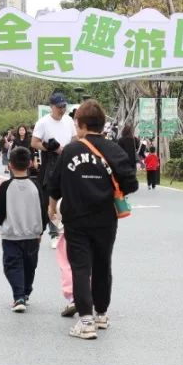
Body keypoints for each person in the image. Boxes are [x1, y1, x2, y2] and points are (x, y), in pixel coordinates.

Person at [47, 99, 138, 340]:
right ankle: (101, 314)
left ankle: (85, 321)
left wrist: (52, 205)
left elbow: (54, 184)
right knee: (102, 264)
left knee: (80, 267)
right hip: (106, 218)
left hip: (76, 219)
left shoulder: (70, 150)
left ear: (81, 124)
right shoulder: (114, 149)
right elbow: (131, 182)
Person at [0, 147, 49, 312]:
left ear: (10, 165)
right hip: (32, 233)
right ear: (30, 163)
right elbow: (42, 209)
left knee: (13, 264)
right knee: (30, 264)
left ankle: (19, 296)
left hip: (11, 234)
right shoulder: (35, 185)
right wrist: (42, 229)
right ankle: (25, 292)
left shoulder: (6, 186)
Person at [32, 93, 76, 248]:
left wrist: (68, 148)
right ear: (51, 107)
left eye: (64, 106)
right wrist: (51, 147)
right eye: (59, 107)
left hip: (68, 158)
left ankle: (68, 231)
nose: (62, 110)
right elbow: (34, 142)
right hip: (50, 160)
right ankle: (53, 233)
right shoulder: (43, 122)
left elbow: (75, 138)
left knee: (69, 195)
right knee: (52, 197)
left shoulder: (69, 120)